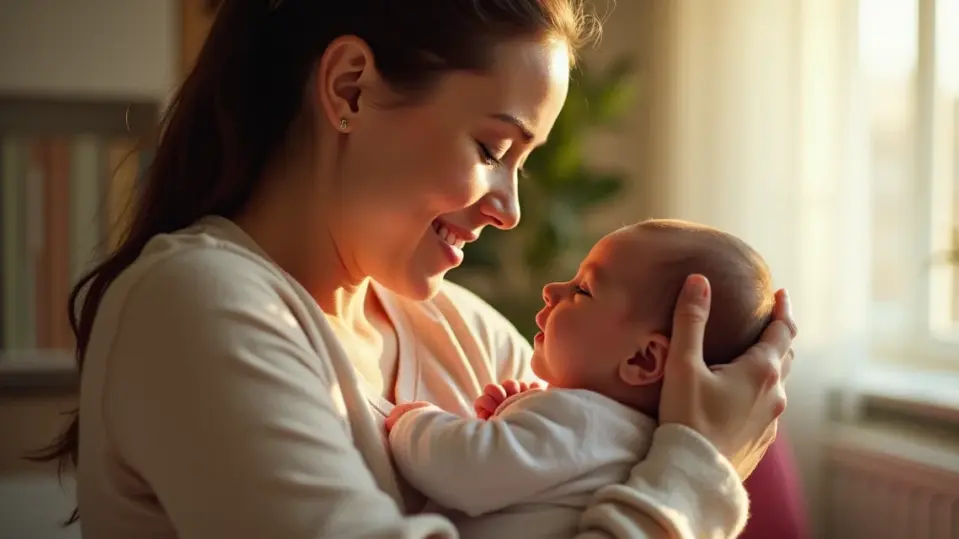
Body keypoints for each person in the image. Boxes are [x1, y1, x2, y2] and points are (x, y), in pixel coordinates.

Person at [35, 1, 797, 538]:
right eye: (493, 151)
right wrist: (696, 475)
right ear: (350, 88)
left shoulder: (472, 337)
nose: (510, 210)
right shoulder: (194, 305)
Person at [384, 219, 776, 539]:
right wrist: (518, 416)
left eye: (583, 290)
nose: (553, 289)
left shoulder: (577, 419)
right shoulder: (650, 449)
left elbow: (464, 469)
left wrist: (415, 423)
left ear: (642, 358)